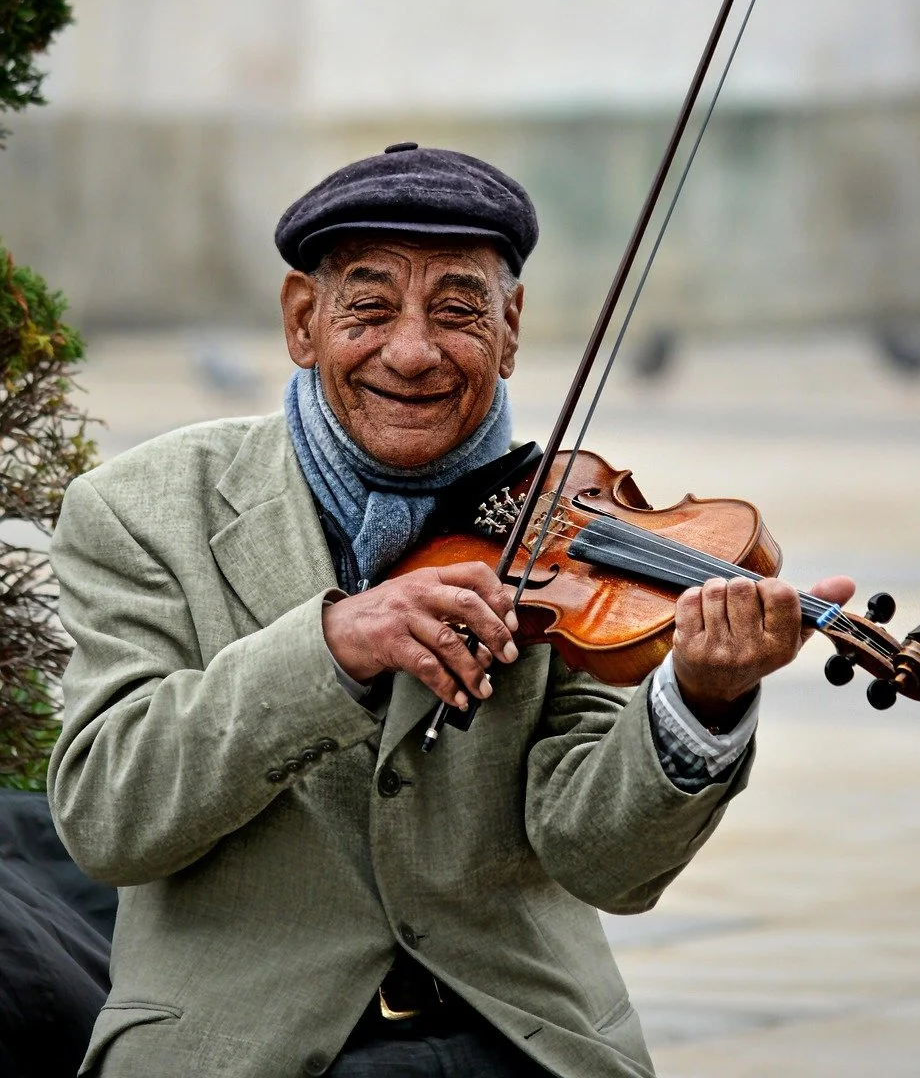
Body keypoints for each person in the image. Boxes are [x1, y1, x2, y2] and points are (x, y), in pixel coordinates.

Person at [48, 143, 853, 1078]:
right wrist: (331, 648)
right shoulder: (139, 510)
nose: (412, 351)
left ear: (510, 330)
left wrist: (700, 704)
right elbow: (109, 817)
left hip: (518, 1043)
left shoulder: (572, 536)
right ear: (302, 320)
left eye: (459, 310)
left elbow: (605, 863)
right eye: (369, 308)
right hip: (242, 1049)